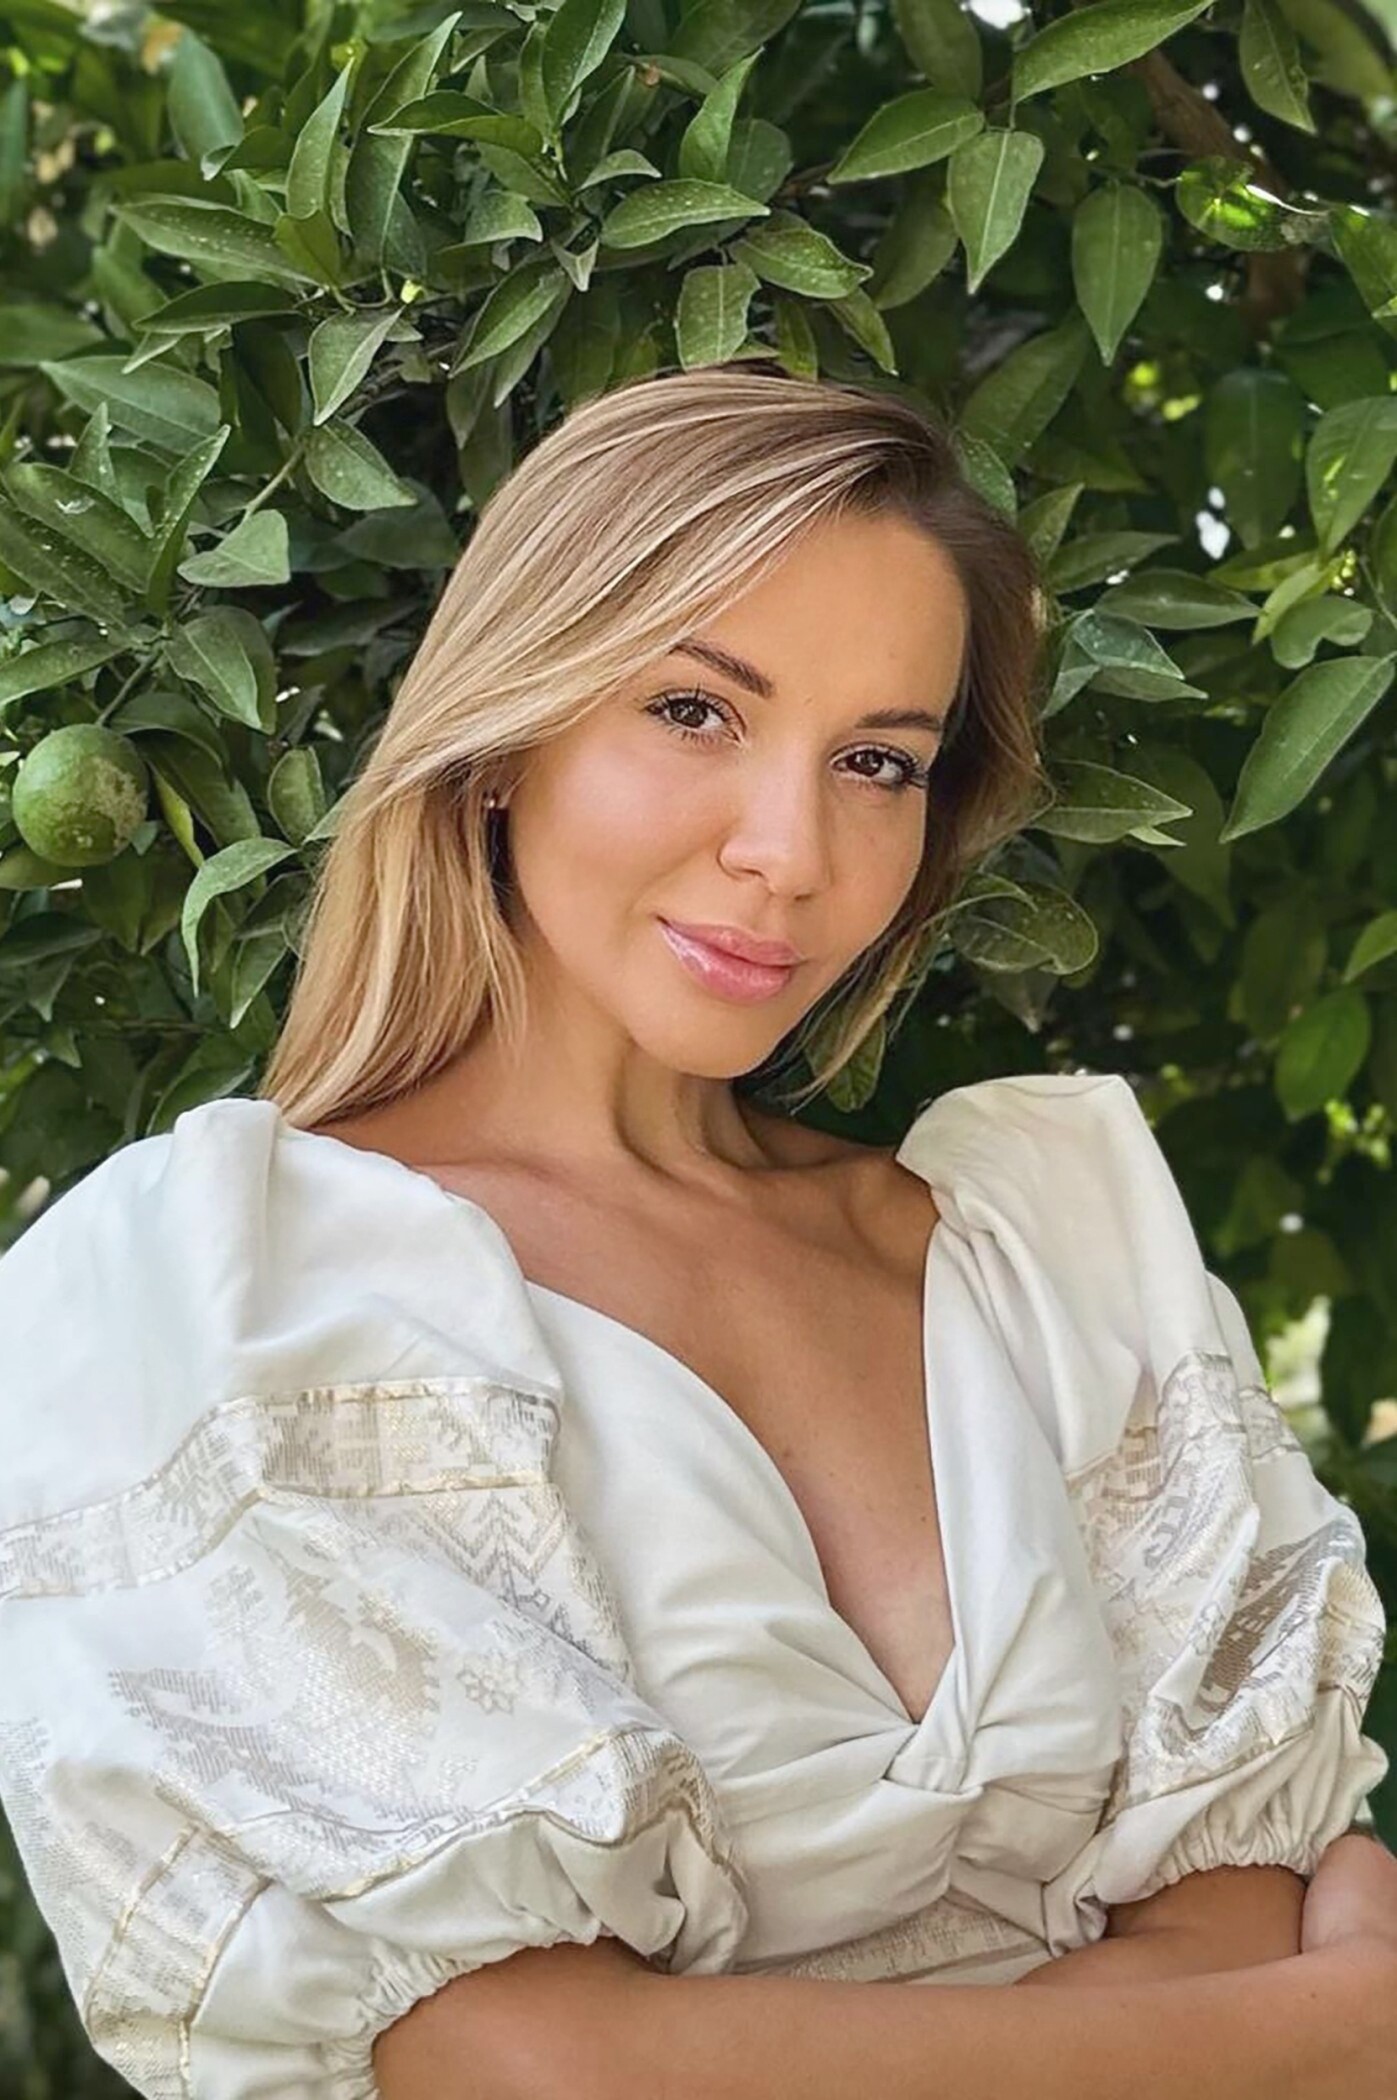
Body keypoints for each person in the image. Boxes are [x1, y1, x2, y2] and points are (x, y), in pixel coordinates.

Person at [0, 363, 1391, 2100]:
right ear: (505, 733)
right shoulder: (216, 1296)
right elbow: (533, 2070)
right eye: (693, 711)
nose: (788, 853)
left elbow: (1235, 1895)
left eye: (876, 762)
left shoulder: (1039, 1260)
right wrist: (1328, 2029)